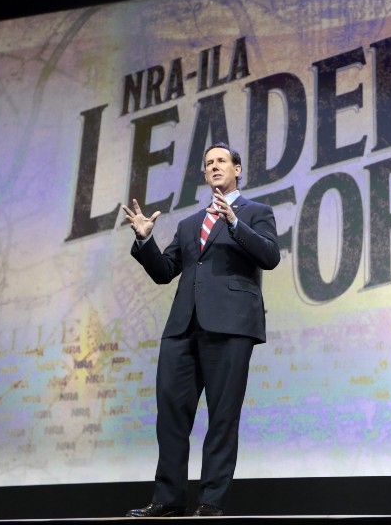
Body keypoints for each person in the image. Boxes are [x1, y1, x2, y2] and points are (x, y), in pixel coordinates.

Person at [121, 142, 280, 517]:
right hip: (182, 327)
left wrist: (235, 223)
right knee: (171, 416)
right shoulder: (189, 224)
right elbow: (164, 272)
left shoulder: (256, 213)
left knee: (223, 416)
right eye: (208, 163)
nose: (214, 167)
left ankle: (211, 501)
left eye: (221, 161)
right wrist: (145, 239)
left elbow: (270, 256)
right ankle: (168, 499)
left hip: (232, 326)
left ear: (238, 169)